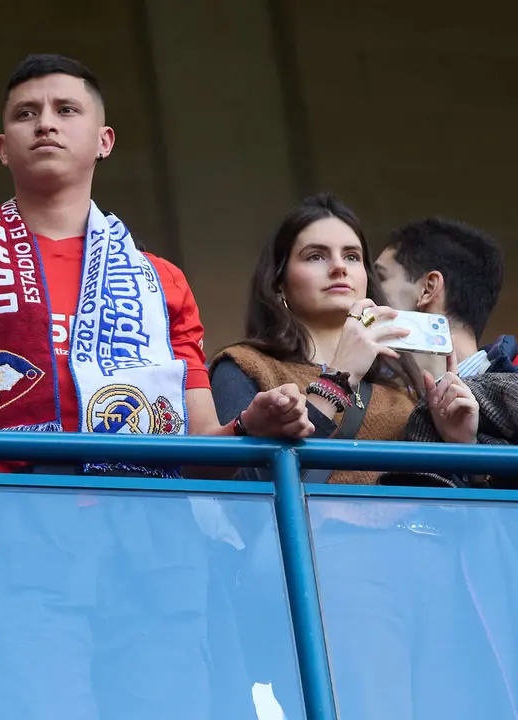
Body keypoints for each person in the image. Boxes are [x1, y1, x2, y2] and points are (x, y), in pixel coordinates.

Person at [0, 53, 310, 720]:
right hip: (19, 522)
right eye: (26, 114)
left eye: (65, 110)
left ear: (104, 141)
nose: (45, 123)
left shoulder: (160, 280)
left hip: (157, 532)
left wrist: (253, 425)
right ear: (3, 147)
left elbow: (200, 442)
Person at [208, 194, 508, 719]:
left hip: (443, 574)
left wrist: (459, 441)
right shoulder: (246, 366)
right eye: (315, 255)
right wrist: (339, 376)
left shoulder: (404, 381)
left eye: (352, 256)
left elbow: (451, 496)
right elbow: (244, 489)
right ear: (278, 283)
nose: (339, 267)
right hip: (333, 573)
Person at [375, 216, 512, 378]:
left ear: (428, 289)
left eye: (380, 278)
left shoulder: (508, 391)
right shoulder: (367, 383)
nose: (367, 291)